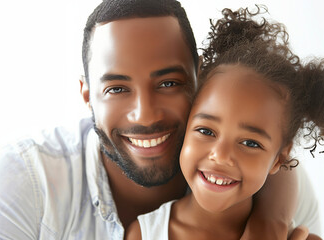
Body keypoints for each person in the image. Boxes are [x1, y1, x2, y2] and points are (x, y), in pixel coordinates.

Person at [0, 1, 321, 239]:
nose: (145, 114)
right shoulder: (27, 182)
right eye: (116, 88)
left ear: (199, 77)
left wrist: (269, 223)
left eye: (169, 83)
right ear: (86, 95)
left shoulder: (273, 183)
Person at [124, 6, 323, 240]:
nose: (220, 155)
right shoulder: (143, 234)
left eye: (250, 143)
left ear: (279, 159)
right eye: (206, 131)